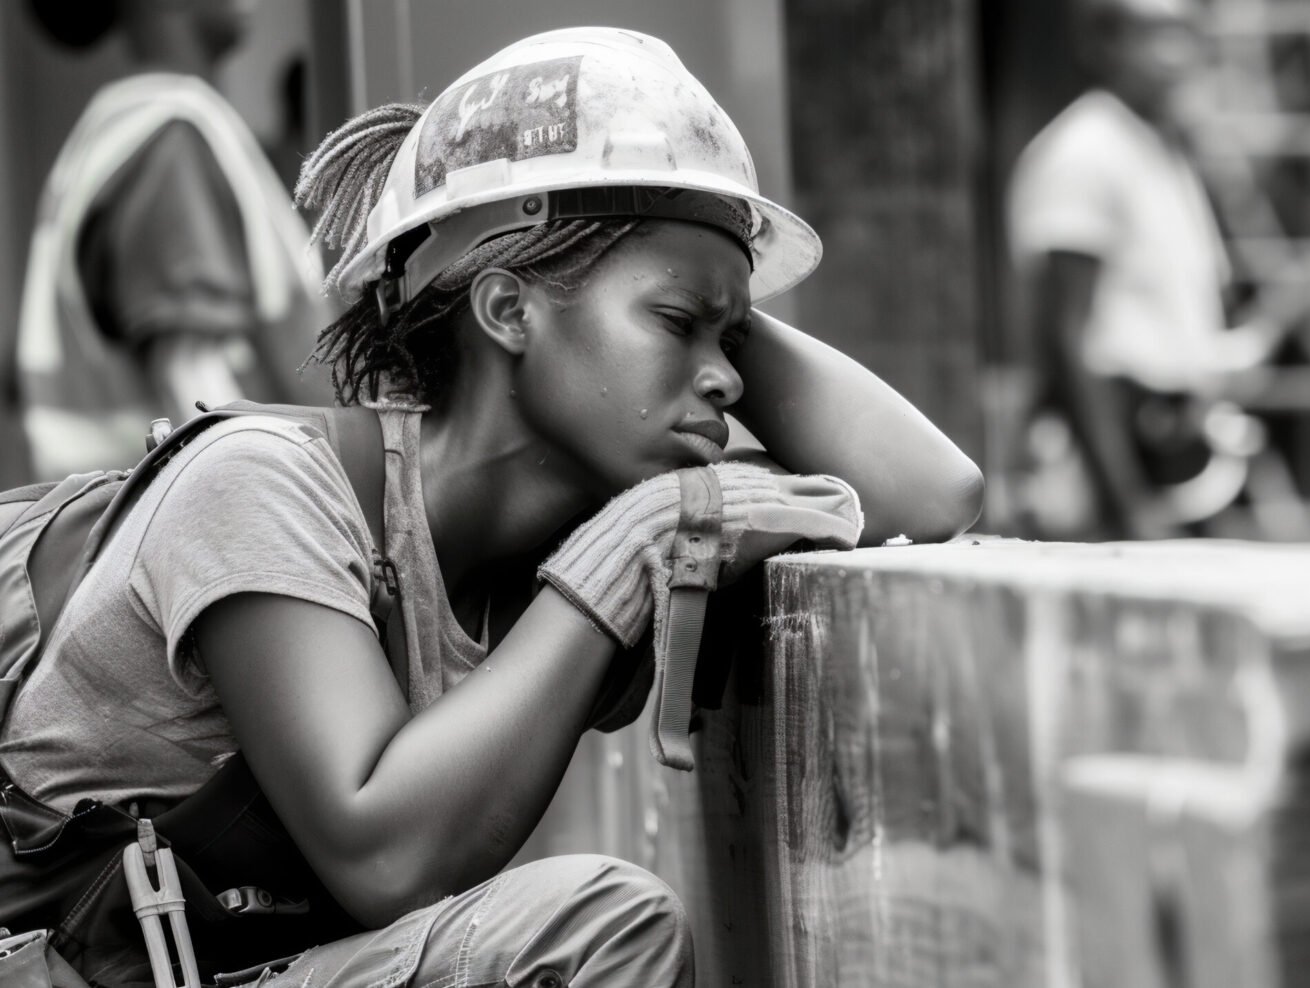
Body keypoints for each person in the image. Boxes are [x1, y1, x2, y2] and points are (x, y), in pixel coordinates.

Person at [0, 27, 983, 988]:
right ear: (509, 311)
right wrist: (627, 551)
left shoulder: (555, 531)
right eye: (679, 323)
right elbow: (384, 856)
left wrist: (705, 277)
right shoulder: (260, 485)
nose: (725, 377)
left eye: (732, 341)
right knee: (596, 929)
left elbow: (929, 496)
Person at [13, 0, 332, 482]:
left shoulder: (133, 130)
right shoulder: (165, 140)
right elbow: (197, 402)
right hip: (200, 532)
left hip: (123, 533)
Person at [1000, 0, 1277, 539]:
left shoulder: (1160, 150)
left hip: (1179, 455)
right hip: (1119, 463)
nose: (1176, 57)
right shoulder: (1084, 153)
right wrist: (1128, 503)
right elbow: (1066, 337)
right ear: (1102, 48)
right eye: (1154, 38)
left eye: (1185, 37)